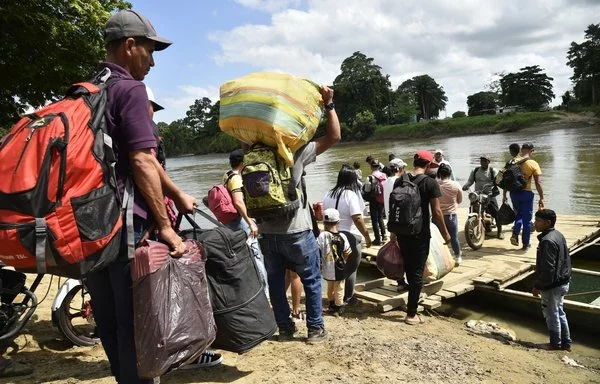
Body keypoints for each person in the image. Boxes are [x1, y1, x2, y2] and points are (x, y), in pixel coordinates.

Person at [86, 10, 197, 383]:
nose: (151, 61)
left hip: (90, 226)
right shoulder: (130, 89)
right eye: (149, 51)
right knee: (138, 327)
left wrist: (177, 191)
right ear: (129, 46)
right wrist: (166, 227)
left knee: (111, 324)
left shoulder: (86, 90)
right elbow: (140, 160)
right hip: (125, 228)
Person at [146, 87, 223, 370]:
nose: (152, 112)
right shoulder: (146, 134)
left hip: (142, 225)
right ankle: (186, 353)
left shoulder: (119, 131)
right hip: (156, 224)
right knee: (178, 285)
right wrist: (172, 207)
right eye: (151, 106)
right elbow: (150, 169)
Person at [258, 85, 340, 344]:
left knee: (275, 282)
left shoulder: (252, 151)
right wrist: (329, 104)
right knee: (311, 279)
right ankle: (315, 329)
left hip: (266, 232)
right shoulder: (295, 152)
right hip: (297, 231)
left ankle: (284, 329)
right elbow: (334, 136)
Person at [391, 150, 451, 325]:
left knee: (410, 268)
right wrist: (446, 234)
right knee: (417, 273)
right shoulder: (430, 183)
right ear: (428, 165)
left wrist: (393, 232)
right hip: (419, 233)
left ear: (414, 162)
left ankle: (410, 301)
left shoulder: (400, 180)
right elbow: (437, 212)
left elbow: (395, 208)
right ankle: (411, 314)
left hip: (402, 232)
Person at [222, 149, 269, 296]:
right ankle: (265, 293)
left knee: (244, 256)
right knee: (255, 256)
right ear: (243, 163)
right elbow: (238, 202)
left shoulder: (227, 175)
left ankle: (250, 291)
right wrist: (250, 223)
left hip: (231, 223)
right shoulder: (236, 178)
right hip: (241, 221)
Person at [323, 165, 372, 304]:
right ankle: (348, 297)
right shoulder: (350, 195)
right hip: (350, 235)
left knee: (336, 267)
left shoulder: (328, 193)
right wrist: (367, 236)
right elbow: (357, 218)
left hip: (332, 235)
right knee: (351, 268)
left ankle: (333, 295)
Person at [532, 209, 571, 351]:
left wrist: (537, 285)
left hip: (552, 285)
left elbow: (548, 270)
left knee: (551, 314)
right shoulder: (558, 235)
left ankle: (555, 343)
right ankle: (566, 343)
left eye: (538, 221)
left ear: (548, 223)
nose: (535, 224)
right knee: (559, 312)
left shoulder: (548, 240)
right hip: (563, 281)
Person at [507, 143, 544, 250]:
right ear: (531, 151)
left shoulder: (512, 161)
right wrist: (541, 197)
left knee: (519, 214)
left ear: (522, 150)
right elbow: (538, 182)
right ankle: (525, 243)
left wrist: (505, 194)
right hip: (526, 193)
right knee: (527, 219)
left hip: (513, 193)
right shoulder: (533, 163)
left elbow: (505, 179)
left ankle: (515, 234)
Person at [318, 208, 353, 316]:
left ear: (324, 222)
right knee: (339, 287)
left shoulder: (322, 236)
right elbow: (347, 252)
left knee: (330, 286)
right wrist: (345, 261)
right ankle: (339, 306)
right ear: (338, 222)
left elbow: (317, 250)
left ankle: (331, 303)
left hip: (327, 267)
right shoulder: (342, 236)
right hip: (339, 267)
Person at [462, 155, 504, 239]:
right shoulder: (475, 170)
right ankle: (471, 229)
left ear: (489, 162)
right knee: (473, 211)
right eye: (481, 161)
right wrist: (465, 186)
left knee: (497, 213)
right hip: (477, 194)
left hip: (489, 194)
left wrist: (498, 180)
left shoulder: (492, 170)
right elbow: (470, 181)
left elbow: (499, 179)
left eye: (485, 161)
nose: (483, 162)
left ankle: (500, 231)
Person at [438, 163, 463, 264]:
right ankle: (457, 256)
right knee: (454, 237)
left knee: (439, 238)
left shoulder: (436, 185)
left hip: (438, 216)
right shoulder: (456, 185)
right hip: (451, 215)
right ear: (450, 173)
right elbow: (460, 200)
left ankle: (441, 258)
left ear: (439, 173)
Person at [366, 159, 387, 245]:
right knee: (380, 218)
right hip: (383, 199)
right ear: (379, 166)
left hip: (374, 200)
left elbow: (367, 190)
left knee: (374, 220)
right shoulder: (384, 175)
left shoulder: (370, 177)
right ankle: (384, 235)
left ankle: (377, 239)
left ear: (371, 167)